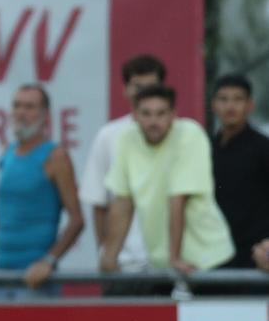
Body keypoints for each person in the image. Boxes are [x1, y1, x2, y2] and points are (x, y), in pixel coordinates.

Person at [0, 84, 84, 298]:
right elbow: (1, 216)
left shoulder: (56, 157)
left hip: (36, 282)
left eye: (30, 107)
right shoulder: (8, 153)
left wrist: (48, 262)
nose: (21, 112)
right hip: (1, 277)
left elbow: (77, 220)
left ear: (45, 115)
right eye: (17, 106)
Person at [100, 86, 234, 277]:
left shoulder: (190, 133)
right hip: (164, 265)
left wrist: (174, 258)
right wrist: (109, 257)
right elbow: (122, 203)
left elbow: (178, 198)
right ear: (135, 115)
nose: (153, 121)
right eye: (146, 113)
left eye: (161, 113)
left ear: (173, 115)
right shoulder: (126, 139)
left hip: (209, 260)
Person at [79, 55, 166, 274]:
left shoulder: (182, 136)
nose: (144, 94)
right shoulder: (109, 136)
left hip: (169, 265)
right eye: (138, 87)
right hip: (124, 266)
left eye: (151, 87)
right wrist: (107, 254)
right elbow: (99, 202)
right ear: (125, 90)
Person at [210, 74, 269, 269]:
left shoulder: (263, 148)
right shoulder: (204, 149)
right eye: (223, 99)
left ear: (250, 105)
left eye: (238, 99)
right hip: (211, 255)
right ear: (213, 105)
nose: (230, 106)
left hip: (255, 258)